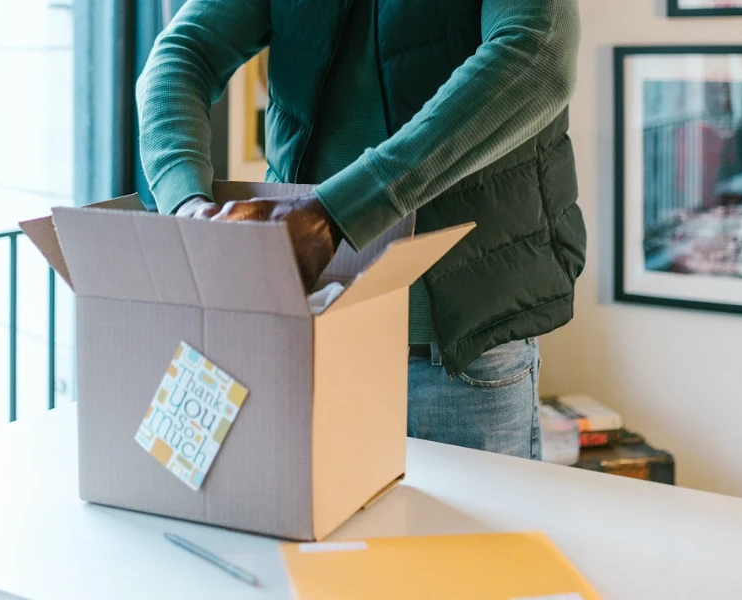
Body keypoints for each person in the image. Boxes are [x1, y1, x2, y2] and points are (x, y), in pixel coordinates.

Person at [137, 0, 586, 460]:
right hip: (305, 329)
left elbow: (539, 52)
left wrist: (333, 214)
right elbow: (182, 53)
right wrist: (186, 206)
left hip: (458, 348)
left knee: (469, 535)